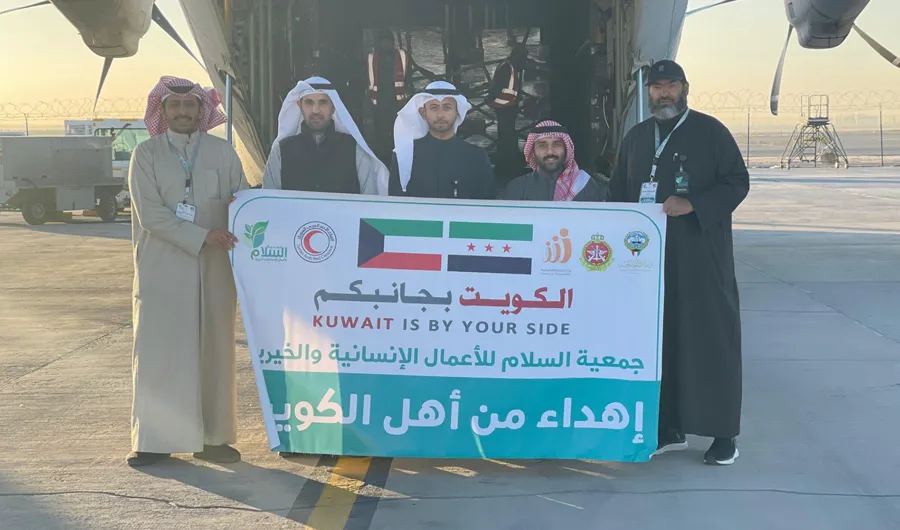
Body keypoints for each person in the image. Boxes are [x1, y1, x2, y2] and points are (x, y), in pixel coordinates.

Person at [606, 59, 749, 466]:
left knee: (710, 342)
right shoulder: (636, 137)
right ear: (648, 92)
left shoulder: (710, 132)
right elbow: (618, 191)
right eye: (657, 87)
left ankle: (724, 435)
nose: (663, 93)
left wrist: (694, 204)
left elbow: (737, 182)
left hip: (701, 260)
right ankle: (668, 428)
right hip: (649, 264)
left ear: (685, 88)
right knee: (660, 344)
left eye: (671, 85)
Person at [127, 76, 249, 467]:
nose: (182, 111)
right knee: (161, 352)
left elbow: (242, 200)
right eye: (174, 105)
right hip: (163, 267)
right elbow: (151, 214)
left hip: (216, 268)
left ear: (201, 110)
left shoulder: (222, 152)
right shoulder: (145, 154)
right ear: (162, 111)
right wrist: (203, 235)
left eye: (190, 105)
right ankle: (154, 440)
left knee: (215, 351)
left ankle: (213, 438)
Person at [262, 76, 388, 195]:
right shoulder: (281, 152)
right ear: (300, 106)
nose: (316, 110)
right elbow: (268, 202)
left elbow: (369, 202)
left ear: (333, 107)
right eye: (309, 102)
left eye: (323, 102)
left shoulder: (355, 151)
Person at [389, 80, 496, 199]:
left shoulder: (477, 156)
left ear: (457, 112)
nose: (440, 115)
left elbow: (487, 204)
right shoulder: (405, 156)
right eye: (434, 108)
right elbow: (396, 204)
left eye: (447, 107)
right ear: (423, 113)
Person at [502, 120, 604, 201]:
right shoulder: (518, 188)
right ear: (532, 152)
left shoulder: (584, 185)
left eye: (556, 144)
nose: (550, 151)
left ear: (566, 149)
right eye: (542, 145)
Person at [367, 29, 410, 165]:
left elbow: (408, 78)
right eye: (383, 41)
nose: (386, 44)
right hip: (380, 102)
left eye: (388, 41)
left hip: (398, 103)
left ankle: (397, 160)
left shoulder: (402, 56)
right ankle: (384, 162)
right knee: (381, 134)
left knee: (399, 132)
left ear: (393, 42)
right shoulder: (372, 58)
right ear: (378, 43)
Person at [488, 43, 528, 185]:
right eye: (523, 58)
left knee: (506, 135)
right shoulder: (507, 68)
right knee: (507, 135)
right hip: (505, 106)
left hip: (506, 106)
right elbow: (498, 88)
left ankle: (506, 165)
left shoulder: (507, 66)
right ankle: (507, 166)